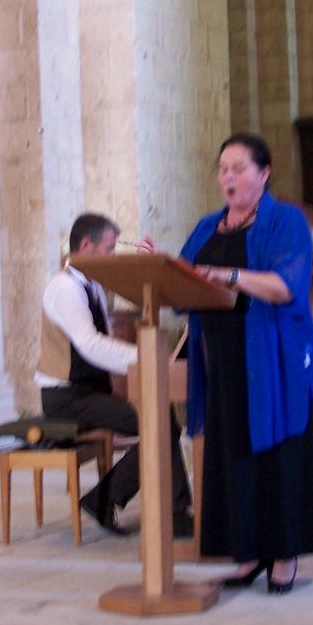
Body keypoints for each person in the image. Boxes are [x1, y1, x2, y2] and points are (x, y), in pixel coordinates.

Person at [179, 133, 313, 593]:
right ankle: (247, 554)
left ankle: (284, 557)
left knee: (277, 457)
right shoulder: (208, 226)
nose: (228, 177)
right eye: (223, 168)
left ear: (263, 174)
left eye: (238, 168)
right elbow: (184, 278)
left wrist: (228, 275)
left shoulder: (285, 221)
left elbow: (286, 286)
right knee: (234, 459)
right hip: (222, 367)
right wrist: (161, 269)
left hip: (276, 362)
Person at [36, 212, 193, 537]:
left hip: (90, 392)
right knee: (160, 422)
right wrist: (145, 356)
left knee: (162, 419)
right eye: (109, 249)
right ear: (85, 245)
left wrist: (148, 266)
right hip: (66, 397)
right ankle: (155, 508)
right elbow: (91, 345)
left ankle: (111, 499)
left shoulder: (91, 285)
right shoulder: (64, 289)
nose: (112, 257)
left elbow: (135, 295)